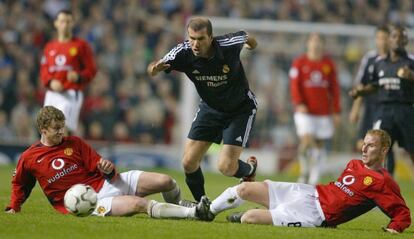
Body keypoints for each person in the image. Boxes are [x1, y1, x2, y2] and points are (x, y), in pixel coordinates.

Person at [5, 106, 211, 220]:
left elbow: (99, 163)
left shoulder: (74, 142)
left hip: (108, 183)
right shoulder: (30, 157)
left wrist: (107, 168)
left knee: (166, 181)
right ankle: (193, 213)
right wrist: (14, 207)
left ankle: (176, 205)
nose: (61, 132)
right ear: (43, 129)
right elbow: (19, 184)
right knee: (138, 204)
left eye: (62, 127)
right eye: (56, 128)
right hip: (90, 202)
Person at [206, 129, 411, 234]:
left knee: (249, 218)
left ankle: (244, 214)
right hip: (308, 192)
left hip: (313, 214)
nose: (364, 149)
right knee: (243, 189)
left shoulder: (383, 181)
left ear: (384, 150)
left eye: (371, 146)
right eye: (364, 144)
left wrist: (395, 228)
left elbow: (402, 213)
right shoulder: (354, 164)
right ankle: (206, 212)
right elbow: (342, 194)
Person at [147, 17, 258, 204]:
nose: (195, 44)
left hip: (240, 109)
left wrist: (250, 47)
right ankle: (202, 204)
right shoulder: (182, 52)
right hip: (210, 108)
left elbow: (248, 37)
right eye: (191, 38)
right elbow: (152, 68)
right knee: (188, 162)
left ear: (211, 37)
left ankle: (250, 170)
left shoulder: (228, 44)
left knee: (225, 167)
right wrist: (155, 69)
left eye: (200, 39)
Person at [349, 24, 414, 170]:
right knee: (379, 149)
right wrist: (359, 92)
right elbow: (374, 85)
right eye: (394, 36)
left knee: (412, 151)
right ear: (389, 40)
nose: (398, 40)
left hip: (406, 111)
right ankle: (382, 186)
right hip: (383, 111)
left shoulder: (411, 61)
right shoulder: (379, 63)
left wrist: (411, 76)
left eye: (402, 37)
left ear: (406, 41)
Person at [289, 32, 341, 184]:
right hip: (304, 112)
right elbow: (294, 86)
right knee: (306, 141)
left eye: (319, 41)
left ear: (323, 45)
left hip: (323, 112)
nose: (316, 44)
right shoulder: (299, 63)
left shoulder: (328, 64)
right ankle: (304, 171)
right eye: (313, 41)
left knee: (319, 144)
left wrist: (336, 111)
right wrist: (299, 103)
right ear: (308, 43)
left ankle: (314, 177)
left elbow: (335, 89)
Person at [40, 10, 97, 134]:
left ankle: (65, 153)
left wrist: (78, 77)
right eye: (62, 21)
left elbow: (91, 70)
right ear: (56, 23)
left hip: (70, 93)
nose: (65, 25)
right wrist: (50, 82)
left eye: (68, 22)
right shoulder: (49, 47)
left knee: (61, 128)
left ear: (73, 24)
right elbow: (44, 70)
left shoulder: (81, 46)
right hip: (52, 94)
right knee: (47, 132)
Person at [349, 25, 396, 173]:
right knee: (363, 144)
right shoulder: (369, 58)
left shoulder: (396, 59)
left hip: (388, 109)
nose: (381, 41)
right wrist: (355, 108)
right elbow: (361, 84)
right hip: (370, 107)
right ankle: (369, 179)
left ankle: (387, 179)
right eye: (379, 38)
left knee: (384, 145)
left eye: (385, 38)